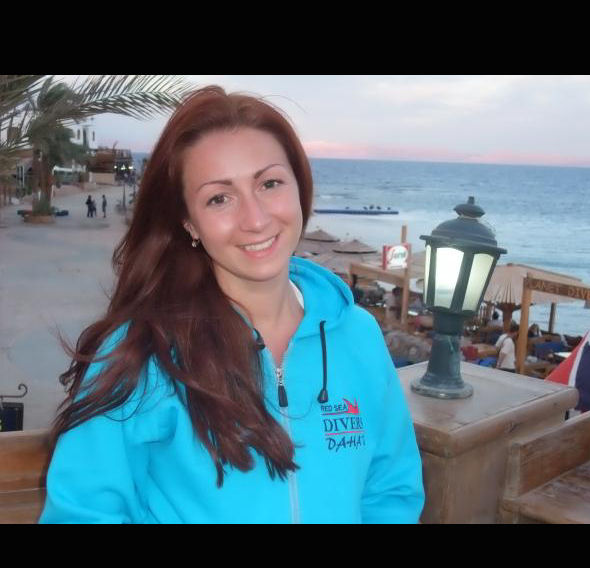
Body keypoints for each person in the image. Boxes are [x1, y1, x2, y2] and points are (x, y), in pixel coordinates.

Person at [39, 86, 424, 524]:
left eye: (270, 183)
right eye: (219, 198)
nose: (255, 219)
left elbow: (390, 490)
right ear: (189, 222)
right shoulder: (142, 350)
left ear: (300, 187)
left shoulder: (358, 335)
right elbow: (81, 513)